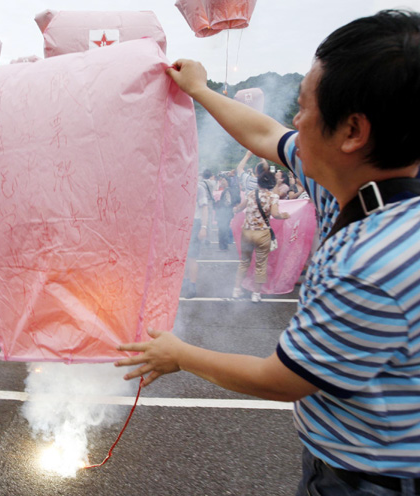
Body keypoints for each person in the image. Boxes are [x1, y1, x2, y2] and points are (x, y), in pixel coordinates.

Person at [117, 10, 420, 496]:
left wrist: (179, 354)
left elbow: (285, 379)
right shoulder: (354, 183)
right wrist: (200, 90)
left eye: (304, 108)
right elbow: (263, 134)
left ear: (352, 131)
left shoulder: (372, 264)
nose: (295, 122)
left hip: (371, 478)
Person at [232, 171, 289, 302]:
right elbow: (275, 214)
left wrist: (235, 210)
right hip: (262, 233)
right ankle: (256, 294)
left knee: (244, 262)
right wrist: (284, 215)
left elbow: (240, 208)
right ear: (271, 183)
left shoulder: (251, 194)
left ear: (258, 182)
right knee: (261, 264)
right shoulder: (273, 197)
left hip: (247, 232)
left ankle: (236, 290)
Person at [183, 176, 208, 298]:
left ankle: (192, 286)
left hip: (195, 223)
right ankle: (186, 281)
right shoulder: (180, 184)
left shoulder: (199, 188)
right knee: (184, 256)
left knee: (192, 257)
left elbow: (205, 208)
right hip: (182, 224)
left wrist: (204, 227)